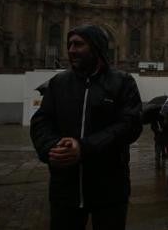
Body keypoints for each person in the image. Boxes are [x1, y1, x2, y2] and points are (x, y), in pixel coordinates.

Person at [30, 24, 143, 230]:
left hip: (110, 189)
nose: (71, 50)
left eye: (78, 44)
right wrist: (51, 148)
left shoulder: (122, 82)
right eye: (69, 44)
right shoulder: (58, 83)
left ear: (96, 47)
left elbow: (130, 125)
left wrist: (84, 147)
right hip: (65, 189)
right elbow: (41, 121)